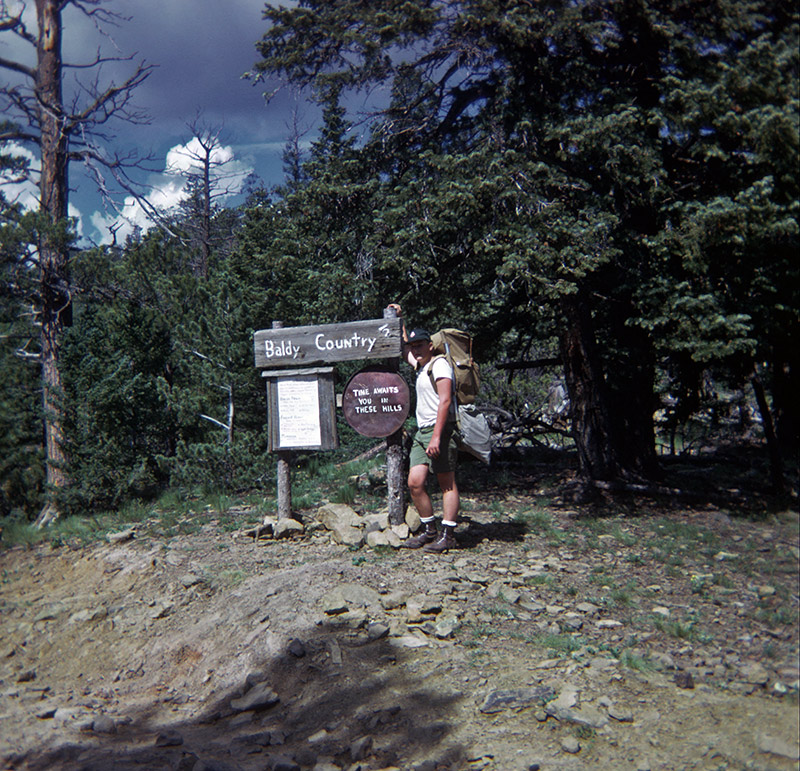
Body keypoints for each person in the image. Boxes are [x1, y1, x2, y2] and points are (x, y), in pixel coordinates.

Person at [389, 304, 460, 553]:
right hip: (422, 433)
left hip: (440, 431)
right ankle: (430, 531)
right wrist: (399, 320)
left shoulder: (439, 364)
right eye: (414, 346)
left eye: (420, 345)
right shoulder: (421, 366)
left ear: (431, 345)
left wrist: (437, 438)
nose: (415, 349)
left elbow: (445, 401)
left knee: (446, 484)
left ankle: (448, 534)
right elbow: (403, 346)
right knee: (415, 483)